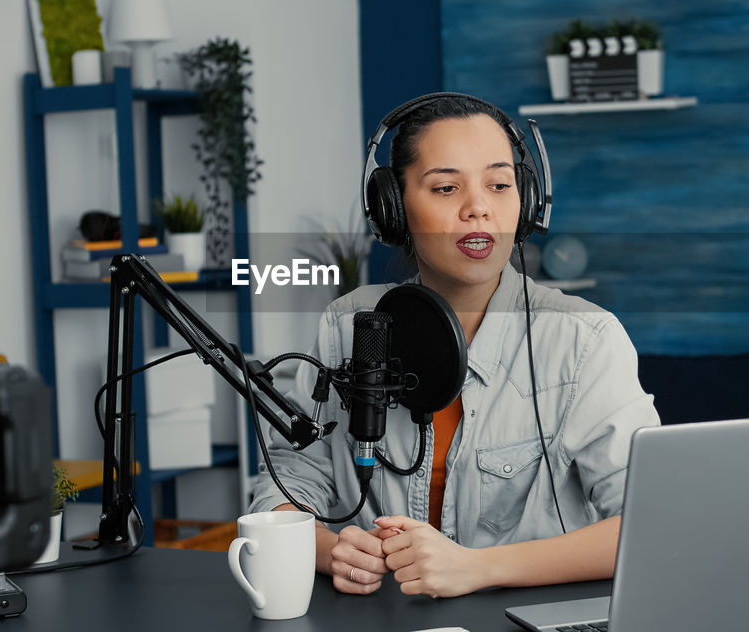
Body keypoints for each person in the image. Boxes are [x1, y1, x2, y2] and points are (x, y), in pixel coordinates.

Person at [247, 93, 660, 599]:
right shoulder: (349, 323)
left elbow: (653, 524)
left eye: (500, 184)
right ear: (392, 208)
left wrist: (479, 567)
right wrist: (328, 548)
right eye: (445, 187)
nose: (479, 208)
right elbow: (288, 479)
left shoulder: (584, 340)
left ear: (527, 202)